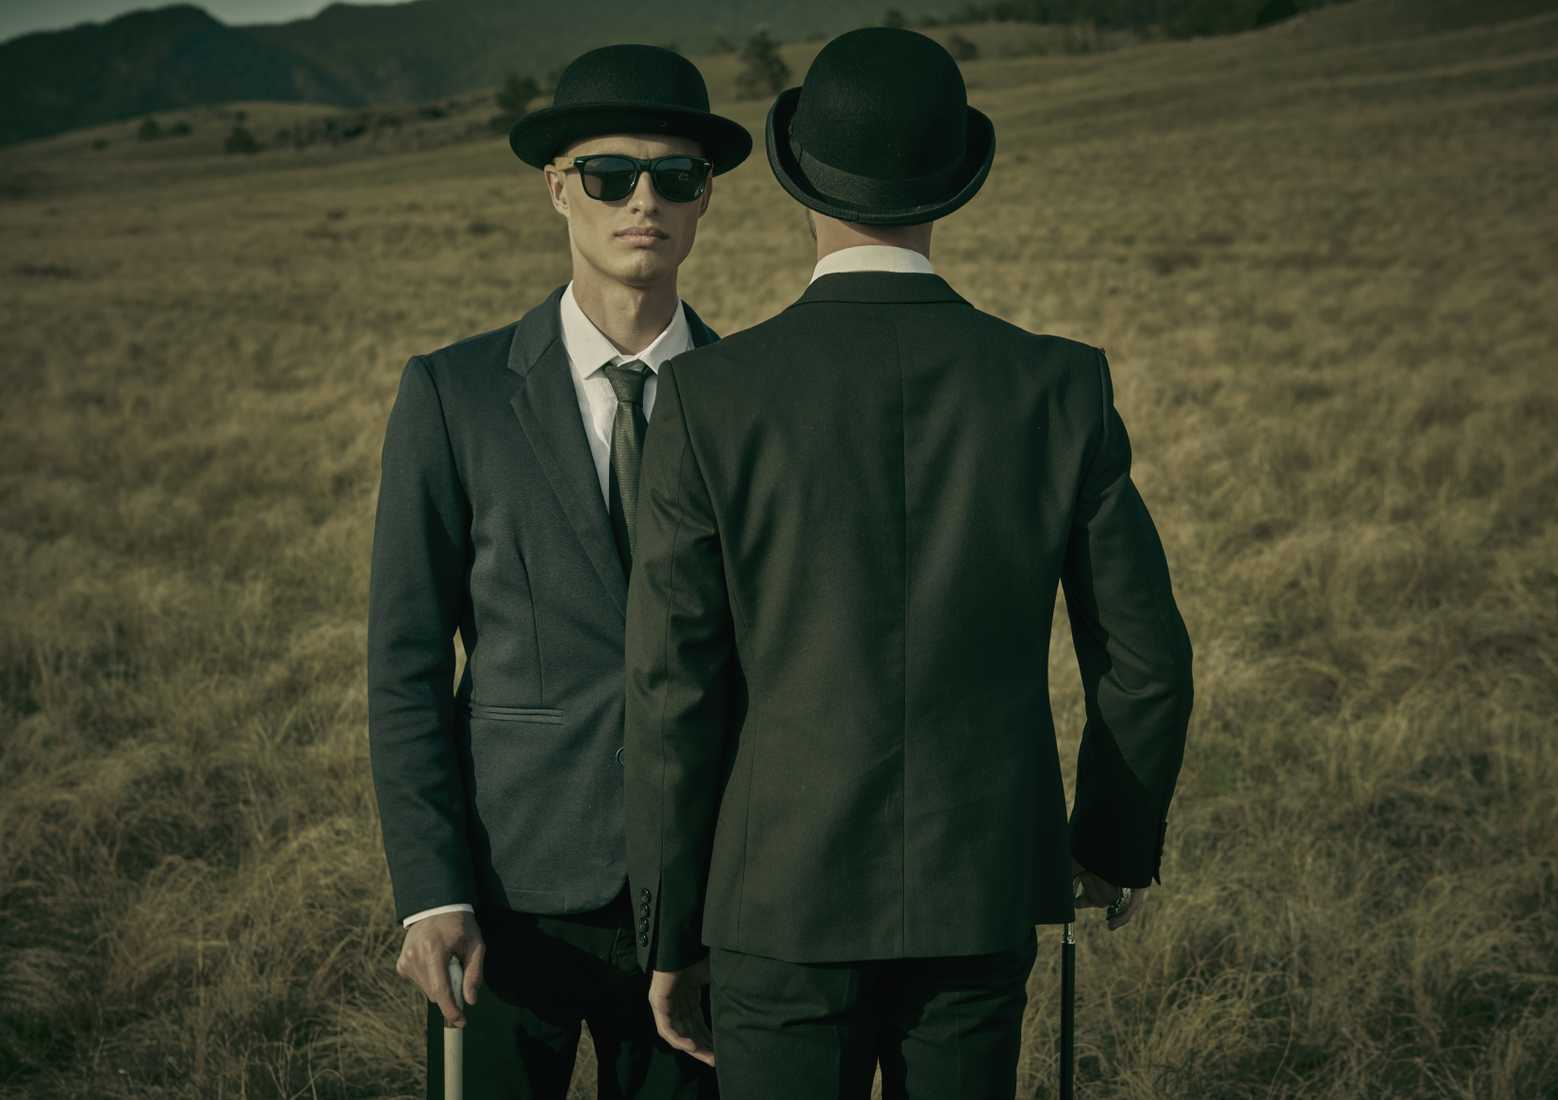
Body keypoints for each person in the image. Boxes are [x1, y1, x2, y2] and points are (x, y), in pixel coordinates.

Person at [621, 27, 1194, 1100]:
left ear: (800, 180)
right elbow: (1146, 659)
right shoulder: (1059, 386)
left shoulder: (710, 398)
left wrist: (670, 927)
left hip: (775, 902)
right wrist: (1111, 843)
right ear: (952, 185)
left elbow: (671, 689)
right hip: (980, 889)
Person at [366, 43, 750, 1099]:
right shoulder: (454, 394)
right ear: (556, 188)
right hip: (505, 898)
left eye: (675, 176)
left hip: (705, 904)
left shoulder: (754, 401)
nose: (643, 200)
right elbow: (404, 661)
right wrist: (431, 891)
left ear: (704, 197)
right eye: (609, 174)